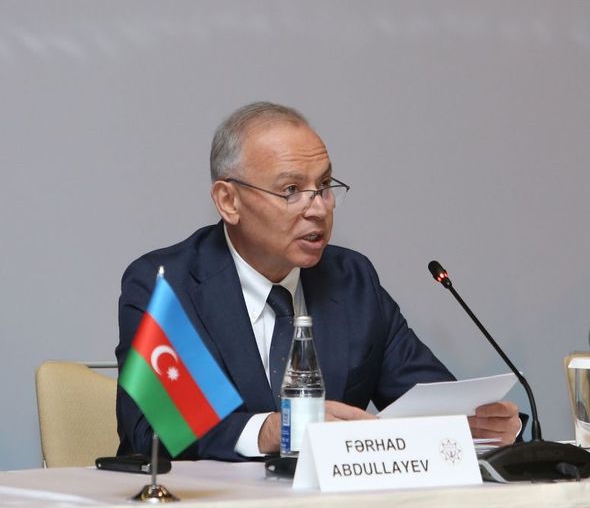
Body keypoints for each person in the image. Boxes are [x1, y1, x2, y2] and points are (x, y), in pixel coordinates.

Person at [116, 101, 521, 461]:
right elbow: (154, 433)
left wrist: (484, 425)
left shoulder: (352, 281)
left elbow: (429, 402)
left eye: (324, 186)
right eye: (292, 189)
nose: (319, 208)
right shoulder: (167, 286)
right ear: (229, 201)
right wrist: (270, 430)